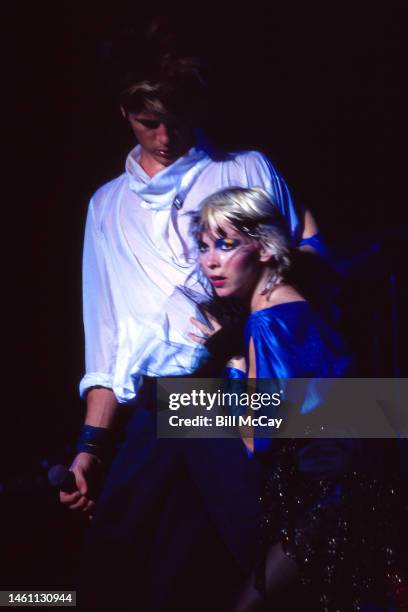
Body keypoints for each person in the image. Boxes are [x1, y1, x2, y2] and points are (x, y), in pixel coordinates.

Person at [60, 46, 324, 610]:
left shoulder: (243, 168)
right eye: (146, 121)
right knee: (130, 572)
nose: (162, 135)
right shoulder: (106, 207)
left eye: (173, 118)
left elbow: (308, 254)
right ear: (123, 113)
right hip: (165, 405)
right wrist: (91, 443)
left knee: (269, 550)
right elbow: (108, 339)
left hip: (243, 387)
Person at [192, 186, 405, 611]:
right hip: (353, 490)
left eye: (227, 244)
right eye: (203, 247)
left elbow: (257, 440)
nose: (210, 261)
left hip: (328, 504)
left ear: (266, 249)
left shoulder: (268, 324)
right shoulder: (299, 304)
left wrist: (231, 362)